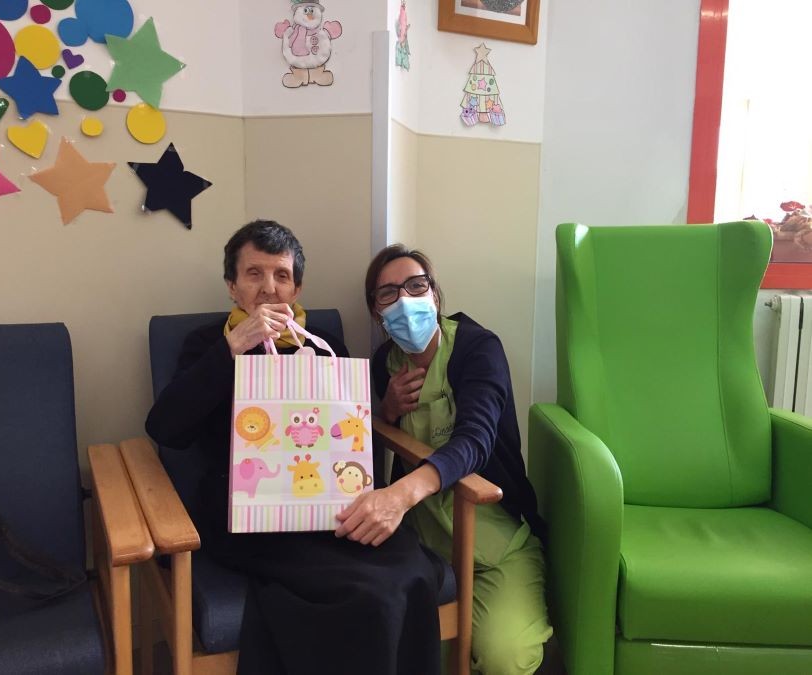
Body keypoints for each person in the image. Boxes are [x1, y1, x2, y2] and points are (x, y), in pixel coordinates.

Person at [145, 221, 442, 675]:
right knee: (364, 593)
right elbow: (166, 428)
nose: (269, 288)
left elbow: (351, 434)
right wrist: (232, 349)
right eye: (254, 274)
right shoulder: (206, 344)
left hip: (331, 506)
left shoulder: (326, 347)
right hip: (249, 514)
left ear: (297, 288)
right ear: (232, 286)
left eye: (281, 276)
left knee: (411, 571)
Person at [345, 243, 561, 675]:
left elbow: (476, 439)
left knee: (505, 657)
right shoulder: (383, 364)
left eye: (416, 286)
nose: (404, 301)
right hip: (421, 543)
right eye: (388, 293)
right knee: (418, 654)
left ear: (435, 294)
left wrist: (401, 495)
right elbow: (361, 445)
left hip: (496, 538)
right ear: (376, 313)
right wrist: (387, 410)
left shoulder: (477, 349)